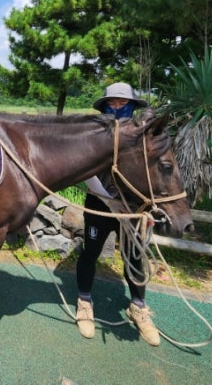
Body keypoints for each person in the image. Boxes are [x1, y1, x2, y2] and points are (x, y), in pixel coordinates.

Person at [75, 82, 161, 346]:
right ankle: (84, 301)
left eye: (122, 103)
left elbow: (152, 174)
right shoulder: (94, 133)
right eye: (111, 103)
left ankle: (138, 307)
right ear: (104, 105)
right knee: (90, 253)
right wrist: (109, 201)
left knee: (133, 256)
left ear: (133, 106)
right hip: (99, 203)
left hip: (133, 209)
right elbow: (85, 171)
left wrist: (148, 208)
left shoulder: (143, 136)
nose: (116, 107)